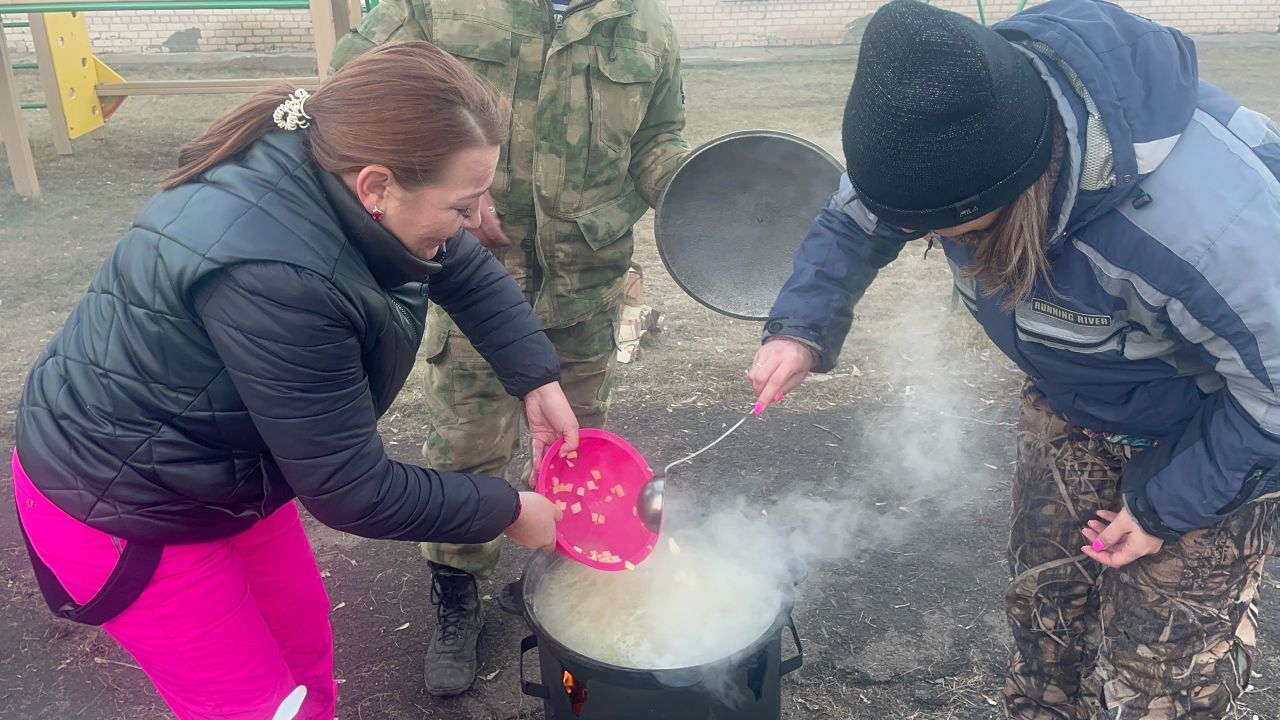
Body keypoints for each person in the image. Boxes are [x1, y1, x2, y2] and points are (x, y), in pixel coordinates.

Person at [12, 41, 577, 720]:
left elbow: (453, 257)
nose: (477, 221)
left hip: (224, 465)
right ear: (376, 187)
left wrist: (535, 379)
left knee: (304, 663)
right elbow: (355, 491)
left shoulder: (339, 164)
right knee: (256, 709)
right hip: (125, 501)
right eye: (463, 206)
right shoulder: (279, 278)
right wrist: (507, 510)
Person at [749, 1, 1280, 717]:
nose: (927, 241)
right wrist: (801, 326)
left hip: (1211, 428)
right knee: (1046, 624)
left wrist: (1164, 506)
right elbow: (856, 219)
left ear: (1021, 184)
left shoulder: (1206, 224)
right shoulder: (933, 124)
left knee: (1157, 680)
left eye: (951, 231)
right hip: (1072, 399)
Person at [329, 0, 691, 696]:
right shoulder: (433, 6)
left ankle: (570, 583)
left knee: (581, 449)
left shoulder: (645, 23)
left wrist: (696, 185)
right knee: (467, 446)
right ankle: (457, 592)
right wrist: (457, 191)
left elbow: (658, 136)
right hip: (471, 275)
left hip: (586, 280)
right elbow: (352, 103)